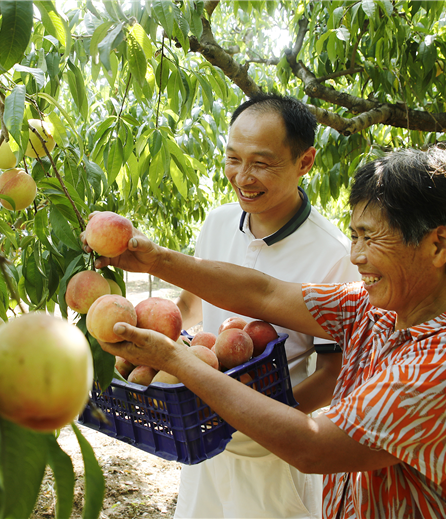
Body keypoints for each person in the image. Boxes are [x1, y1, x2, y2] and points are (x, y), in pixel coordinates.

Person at [85, 148, 446, 518]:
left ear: (439, 245)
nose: (354, 255)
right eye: (354, 236)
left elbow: (314, 448)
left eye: (370, 238)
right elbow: (264, 294)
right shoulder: (375, 311)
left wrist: (176, 360)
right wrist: (156, 260)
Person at [173, 93, 359, 518]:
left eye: (261, 162)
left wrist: (260, 422)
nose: (242, 176)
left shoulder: (333, 255)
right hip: (205, 442)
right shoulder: (218, 222)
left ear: (305, 162)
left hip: (272, 456)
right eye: (233, 159)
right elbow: (190, 305)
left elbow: (333, 373)